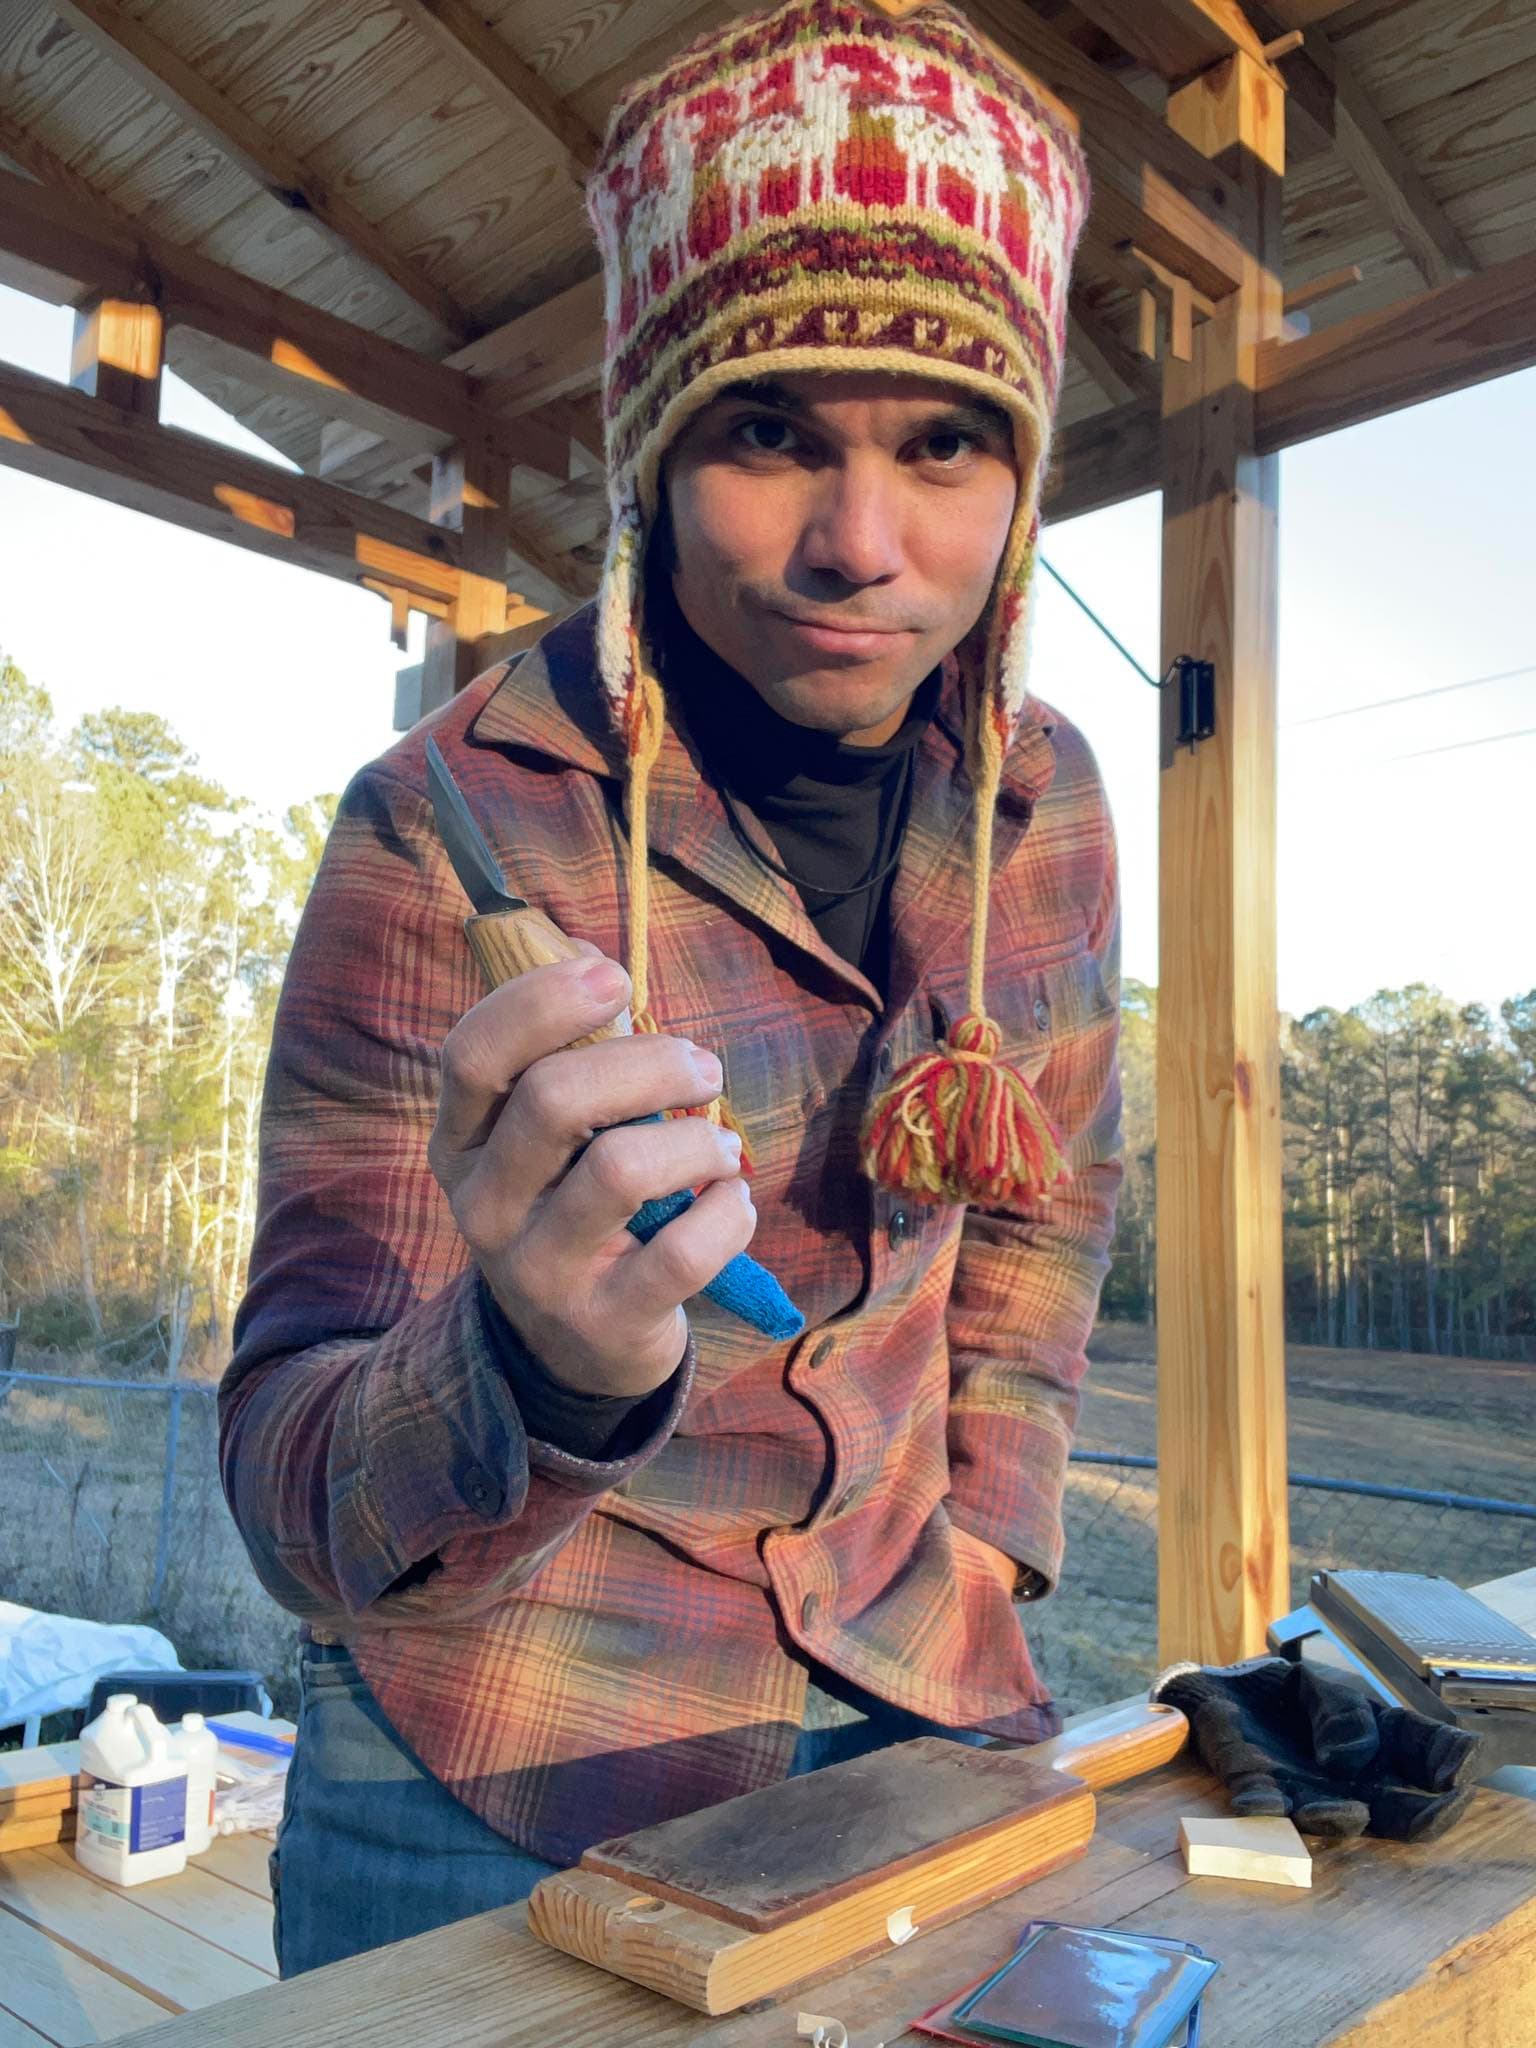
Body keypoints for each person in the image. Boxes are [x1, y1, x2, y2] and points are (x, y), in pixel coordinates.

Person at [220, 0, 1121, 1979]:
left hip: (928, 1697)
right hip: (499, 1758)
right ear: (649, 452)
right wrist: (540, 1368)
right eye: (770, 432)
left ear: (1027, 475)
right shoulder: (440, 823)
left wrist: (992, 1544)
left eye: (947, 441)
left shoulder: (1048, 802)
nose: (860, 550)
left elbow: (1038, 1234)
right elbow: (291, 1493)